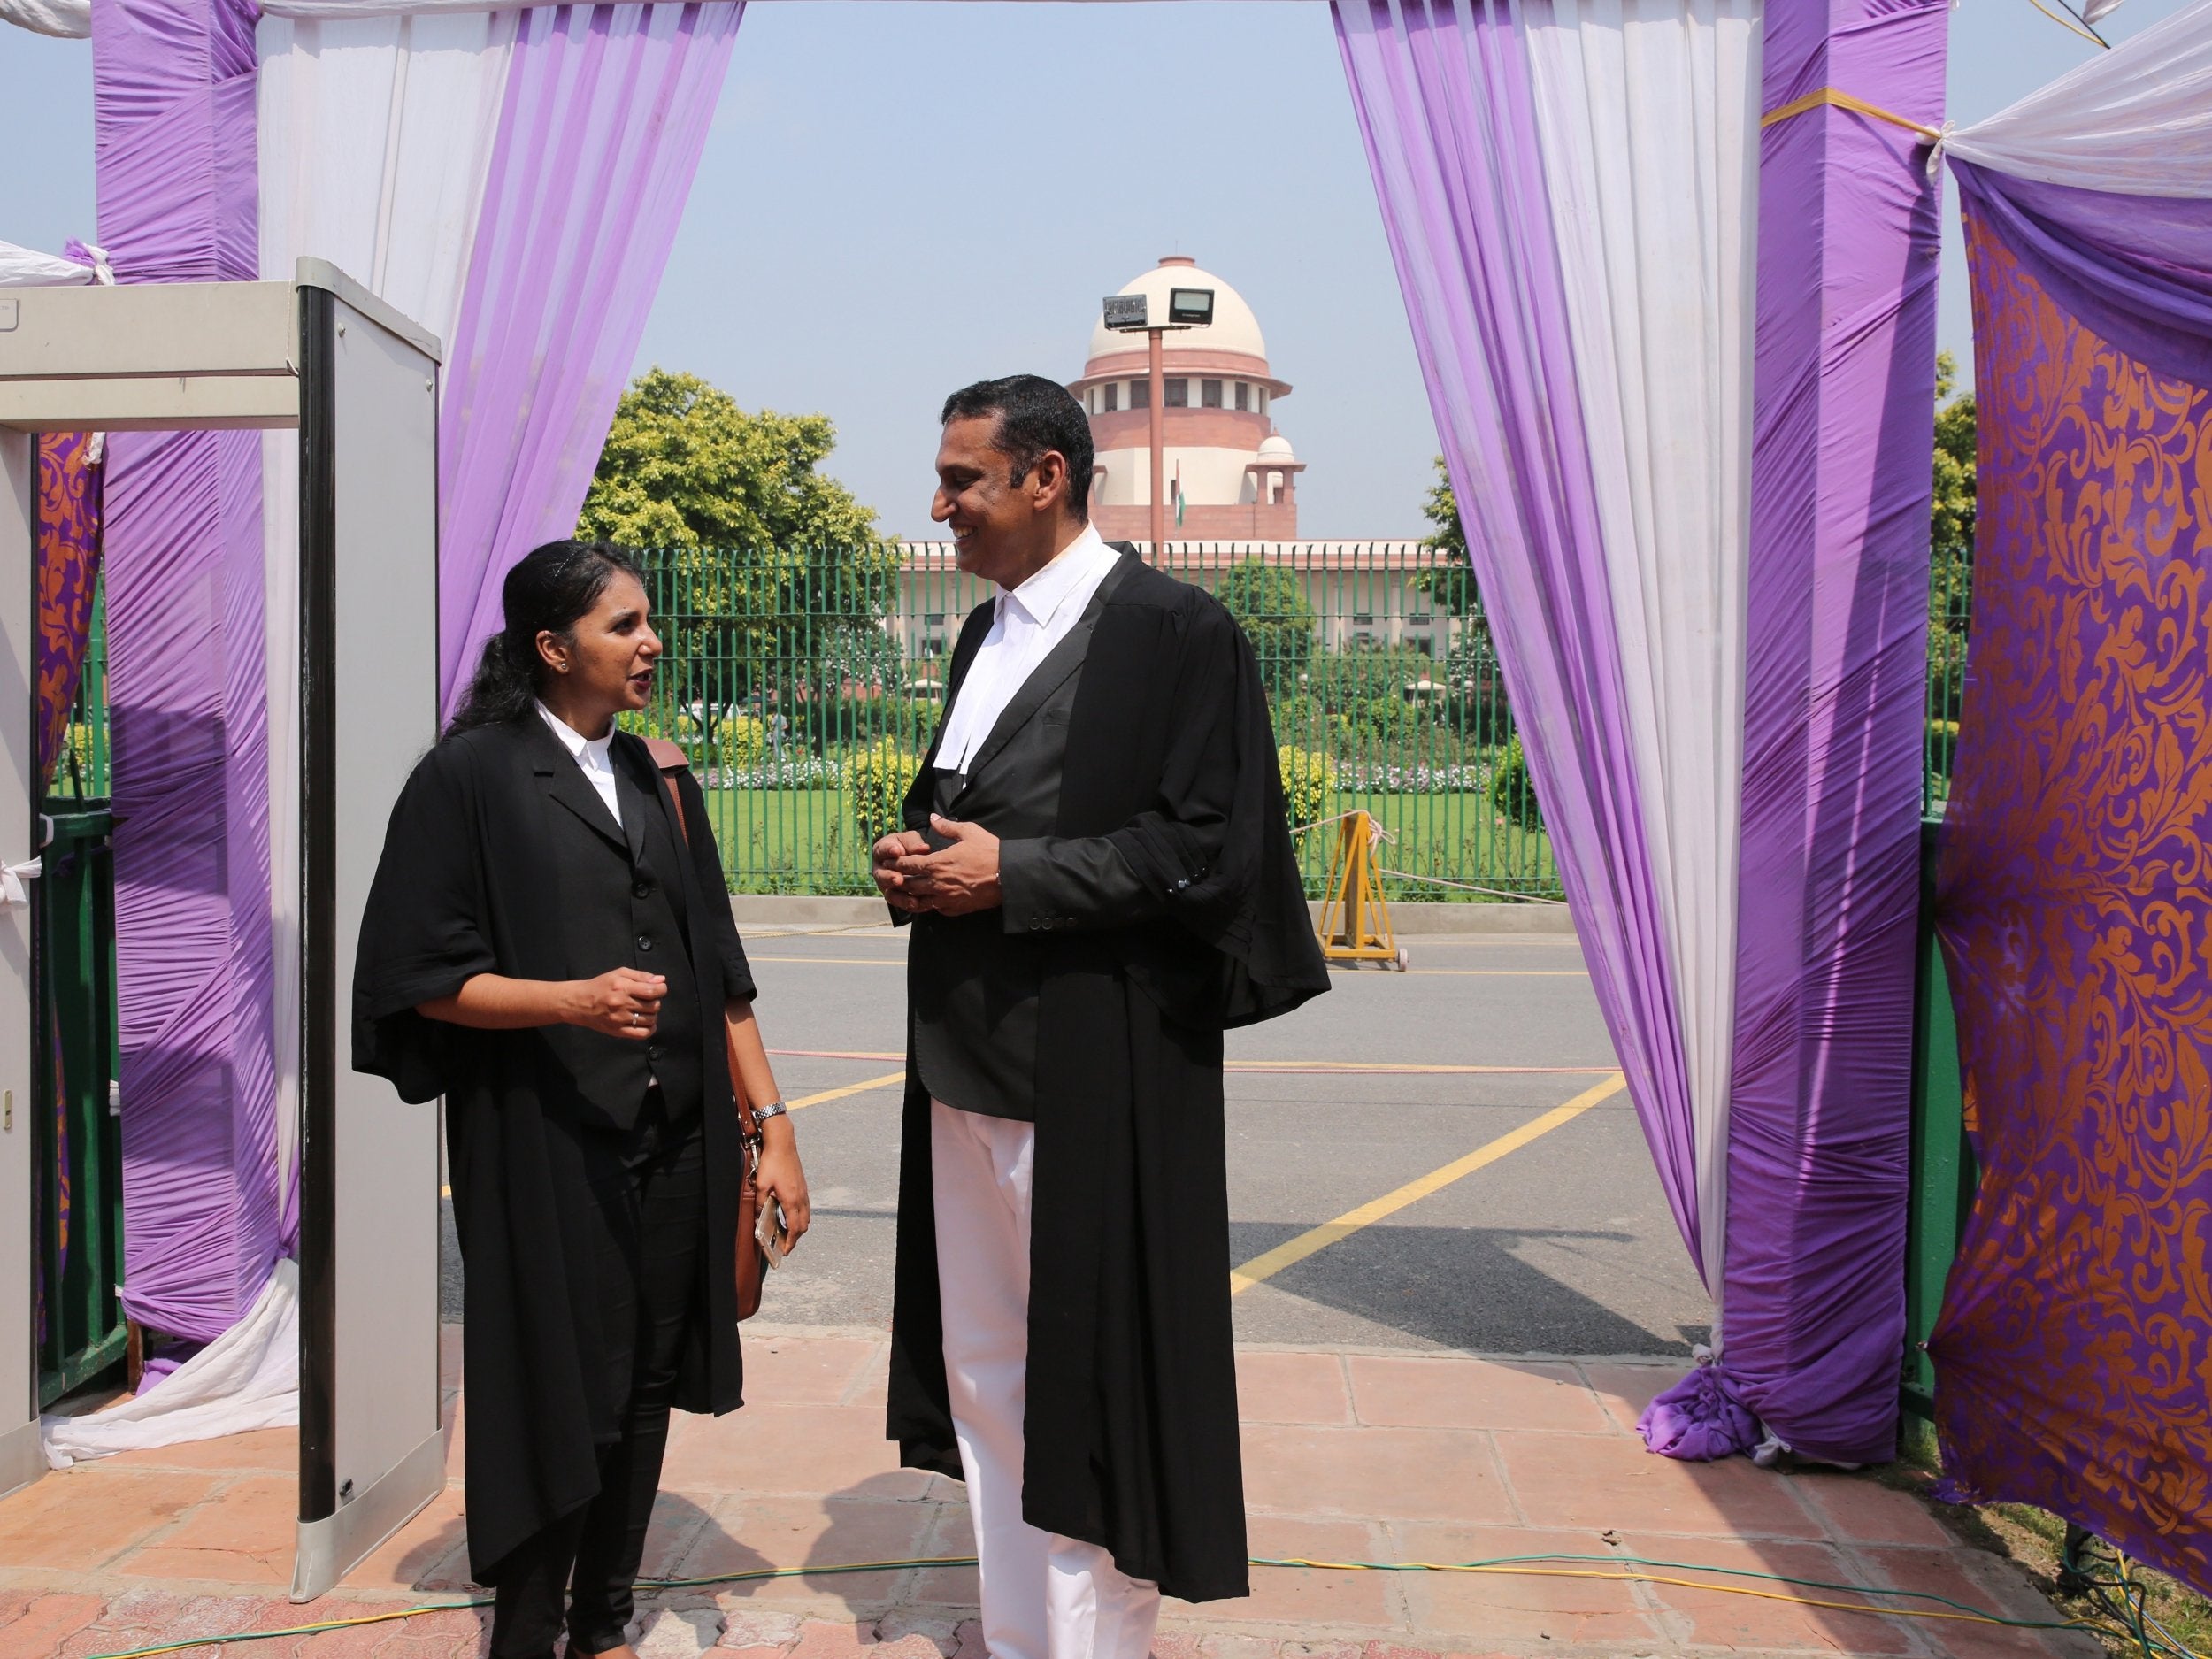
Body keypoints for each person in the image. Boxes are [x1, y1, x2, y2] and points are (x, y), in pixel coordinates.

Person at [873, 376, 1329, 1659]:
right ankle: (1025, 1635)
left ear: (1048, 477)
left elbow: (1204, 850)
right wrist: (925, 856)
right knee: (988, 1372)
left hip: (1093, 1066)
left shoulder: (1176, 632)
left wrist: (1008, 875)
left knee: (1090, 1385)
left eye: (965, 478)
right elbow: (988, 811)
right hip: (963, 1061)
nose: (941, 503)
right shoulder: (985, 634)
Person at [352, 541, 810, 1659]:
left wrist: (775, 1128)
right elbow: (415, 977)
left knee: (647, 1375)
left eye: (648, 621)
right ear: (553, 649)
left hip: (677, 1134)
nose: (649, 642)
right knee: (556, 1378)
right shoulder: (469, 778)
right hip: (544, 1136)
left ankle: (604, 1616)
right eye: (623, 626)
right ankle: (526, 1623)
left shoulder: (660, 775)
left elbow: (722, 966)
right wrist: (571, 1000)